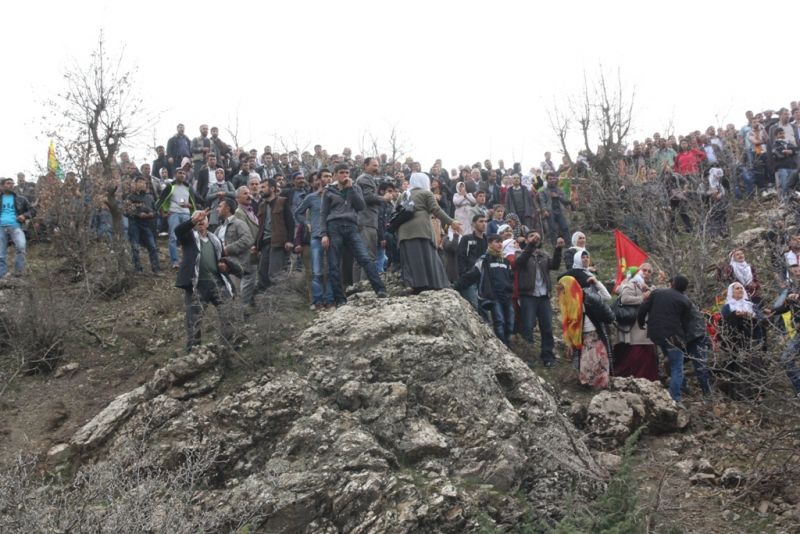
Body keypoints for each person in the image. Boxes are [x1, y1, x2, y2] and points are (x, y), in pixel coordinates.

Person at [174, 208, 242, 352]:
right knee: (194, 320)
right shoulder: (188, 237)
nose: (201, 221)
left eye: (203, 219)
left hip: (217, 281)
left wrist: (225, 267)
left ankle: (228, 347)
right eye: (197, 219)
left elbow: (223, 258)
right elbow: (178, 231)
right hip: (196, 285)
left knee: (227, 312)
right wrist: (193, 220)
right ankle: (194, 352)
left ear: (207, 222)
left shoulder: (215, 239)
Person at [320, 164, 387, 305]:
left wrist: (350, 189)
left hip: (351, 226)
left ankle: (380, 289)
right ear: (336, 174)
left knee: (365, 258)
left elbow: (360, 206)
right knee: (334, 264)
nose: (345, 175)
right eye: (341, 172)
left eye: (347, 172)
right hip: (334, 227)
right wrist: (324, 234)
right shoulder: (329, 191)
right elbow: (324, 213)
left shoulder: (355, 187)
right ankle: (340, 299)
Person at [396, 172, 463, 292]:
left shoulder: (403, 195)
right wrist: (451, 222)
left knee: (411, 259)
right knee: (427, 257)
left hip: (404, 232)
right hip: (421, 230)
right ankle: (433, 284)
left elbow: (395, 212)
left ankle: (413, 284)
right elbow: (436, 210)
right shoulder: (426, 193)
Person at [637, 275, 694, 406]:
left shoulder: (657, 292)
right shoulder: (685, 301)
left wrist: (640, 322)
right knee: (677, 367)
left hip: (656, 335)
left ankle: (683, 386)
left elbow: (643, 308)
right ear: (685, 288)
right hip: (674, 337)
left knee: (672, 361)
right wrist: (684, 339)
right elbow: (687, 323)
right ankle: (675, 399)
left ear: (672, 283)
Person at [515, 230, 563, 366]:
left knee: (547, 327)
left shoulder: (544, 255)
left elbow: (554, 265)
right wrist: (530, 245)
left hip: (543, 296)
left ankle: (548, 357)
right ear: (526, 240)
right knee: (528, 327)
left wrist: (558, 249)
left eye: (537, 237)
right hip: (528, 296)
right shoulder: (520, 253)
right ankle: (529, 358)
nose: (535, 239)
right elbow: (520, 262)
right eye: (531, 236)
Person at [557, 270, 612, 388]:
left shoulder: (587, 295)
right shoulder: (568, 300)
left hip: (594, 332)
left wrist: (597, 283)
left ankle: (597, 384)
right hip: (581, 336)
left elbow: (607, 298)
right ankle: (590, 384)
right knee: (589, 361)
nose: (562, 290)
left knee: (596, 360)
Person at [294, 168, 335, 310]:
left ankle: (330, 300)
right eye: (325, 176)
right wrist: (307, 223)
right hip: (316, 237)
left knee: (330, 270)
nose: (328, 179)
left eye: (330, 176)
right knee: (316, 271)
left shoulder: (336, 196)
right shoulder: (311, 197)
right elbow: (298, 213)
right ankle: (317, 302)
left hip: (333, 237)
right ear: (318, 179)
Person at [718, 282, 766, 399]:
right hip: (737, 342)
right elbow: (723, 324)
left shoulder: (750, 305)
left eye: (741, 288)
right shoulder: (727, 307)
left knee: (754, 366)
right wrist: (735, 315)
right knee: (739, 368)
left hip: (752, 339)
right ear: (732, 292)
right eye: (736, 289)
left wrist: (749, 316)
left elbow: (761, 320)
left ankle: (757, 394)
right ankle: (741, 396)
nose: (739, 290)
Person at [614, 264, 658, 381]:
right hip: (635, 325)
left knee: (647, 353)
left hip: (647, 325)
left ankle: (648, 382)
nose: (647, 273)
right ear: (639, 271)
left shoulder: (649, 287)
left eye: (649, 271)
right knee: (635, 353)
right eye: (644, 270)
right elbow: (625, 299)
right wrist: (642, 298)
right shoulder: (631, 284)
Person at [254, 178, 295, 291]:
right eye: (260, 187)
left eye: (263, 187)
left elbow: (290, 223)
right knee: (262, 274)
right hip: (265, 244)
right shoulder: (262, 206)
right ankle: (266, 304)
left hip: (278, 243)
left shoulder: (282, 202)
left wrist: (290, 240)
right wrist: (255, 244)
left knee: (275, 275)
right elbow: (261, 227)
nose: (260, 190)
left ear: (272, 189)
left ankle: (279, 301)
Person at [157, 168, 200, 269]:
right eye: (180, 173)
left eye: (184, 173)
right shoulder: (170, 186)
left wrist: (188, 205)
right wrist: (163, 213)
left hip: (186, 214)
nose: (182, 175)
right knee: (173, 237)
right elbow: (160, 200)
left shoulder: (188, 187)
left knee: (189, 237)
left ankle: (189, 260)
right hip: (174, 214)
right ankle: (175, 261)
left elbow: (192, 203)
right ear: (175, 175)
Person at [215, 197, 253, 296]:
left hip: (236, 267)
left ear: (227, 208)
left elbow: (248, 239)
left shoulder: (239, 223)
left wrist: (228, 249)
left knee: (237, 296)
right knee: (226, 298)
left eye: (220, 206)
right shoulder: (219, 228)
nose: (217, 209)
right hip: (222, 268)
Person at [123, 176, 161, 275]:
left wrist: (151, 214)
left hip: (147, 224)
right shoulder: (129, 197)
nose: (143, 184)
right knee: (135, 247)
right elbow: (125, 212)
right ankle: (138, 269)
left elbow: (155, 211)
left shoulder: (149, 197)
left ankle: (156, 269)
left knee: (152, 247)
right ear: (134, 184)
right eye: (140, 182)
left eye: (144, 183)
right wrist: (138, 214)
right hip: (134, 224)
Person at [0, 178, 31, 278]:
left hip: (16, 226)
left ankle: (18, 272)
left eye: (12, 183)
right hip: (0, 227)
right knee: (0, 253)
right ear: (2, 186)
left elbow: (32, 211)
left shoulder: (21, 199)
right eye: (8, 183)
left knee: (21, 247)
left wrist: (24, 216)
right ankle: (2, 274)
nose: (11, 185)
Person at [539, 172, 571, 245]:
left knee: (565, 227)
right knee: (552, 229)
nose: (552, 180)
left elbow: (565, 201)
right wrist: (545, 210)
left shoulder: (560, 190)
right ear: (547, 180)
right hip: (550, 211)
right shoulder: (543, 191)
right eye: (550, 179)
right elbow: (542, 202)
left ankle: (569, 244)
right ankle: (554, 245)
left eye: (554, 179)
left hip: (560, 211)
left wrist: (557, 196)